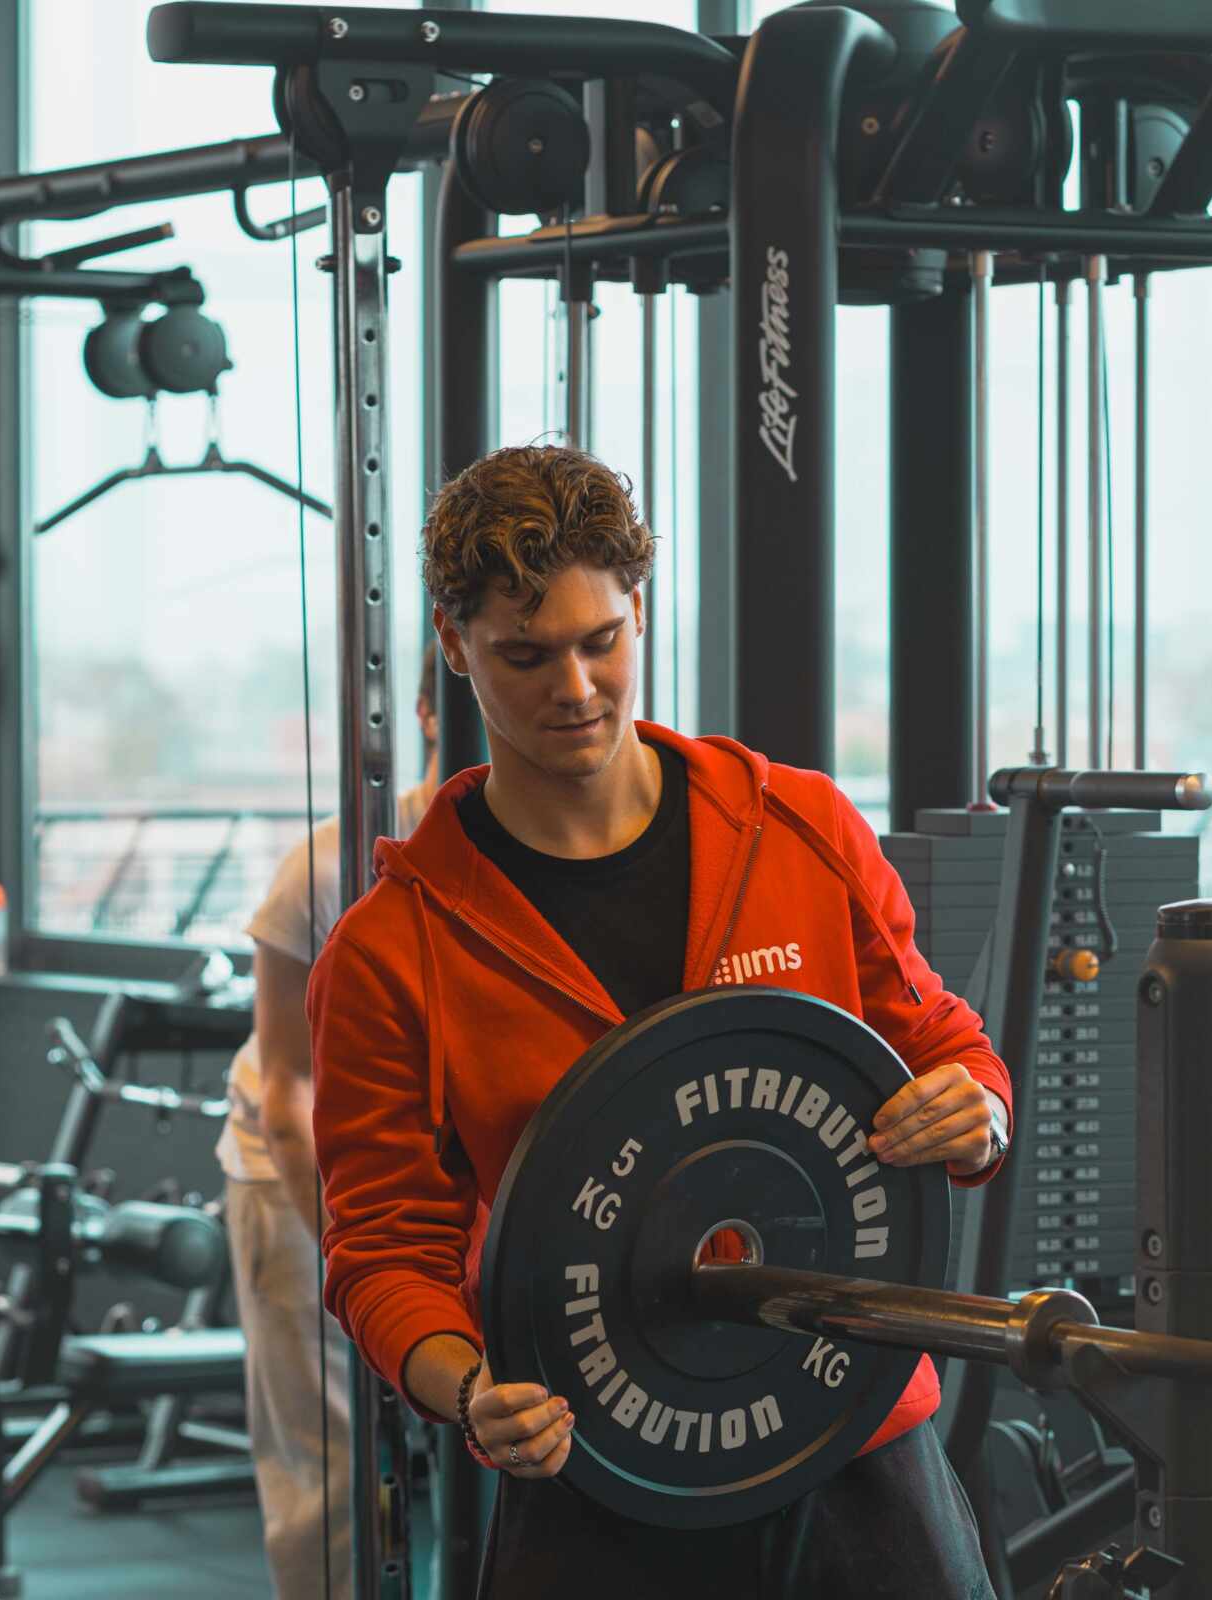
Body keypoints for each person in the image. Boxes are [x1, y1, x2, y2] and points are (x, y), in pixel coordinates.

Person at [308, 446, 1014, 1598]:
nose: (575, 688)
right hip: (602, 1463)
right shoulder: (395, 949)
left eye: (601, 640)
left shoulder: (801, 828)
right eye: (526, 655)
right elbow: (384, 1246)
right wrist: (469, 1390)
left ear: (638, 611)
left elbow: (940, 1042)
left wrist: (976, 1109)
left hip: (850, 1436)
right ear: (454, 643)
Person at [218, 684, 440, 1600]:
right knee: (330, 1471)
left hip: (425, 1171)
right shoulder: (319, 874)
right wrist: (362, 1273)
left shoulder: (521, 860)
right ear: (430, 711)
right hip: (291, 1176)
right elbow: (287, 1095)